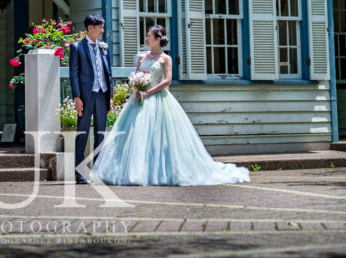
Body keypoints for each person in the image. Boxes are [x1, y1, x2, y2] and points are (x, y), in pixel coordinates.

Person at [89, 24, 250, 186]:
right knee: (134, 136)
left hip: (158, 98)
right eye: (146, 36)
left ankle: (162, 173)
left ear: (158, 39)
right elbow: (136, 75)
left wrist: (149, 92)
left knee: (159, 137)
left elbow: (167, 81)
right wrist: (137, 89)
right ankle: (134, 171)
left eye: (149, 36)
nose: (146, 39)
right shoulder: (142, 57)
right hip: (138, 100)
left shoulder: (166, 59)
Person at [68, 14, 112, 184]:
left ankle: (97, 171)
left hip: (102, 94)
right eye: (100, 27)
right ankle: (79, 173)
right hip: (85, 96)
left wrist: (110, 96)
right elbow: (74, 74)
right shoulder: (77, 47)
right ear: (90, 28)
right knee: (82, 133)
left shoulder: (104, 47)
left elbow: (109, 73)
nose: (102, 30)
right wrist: (77, 97)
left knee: (100, 134)